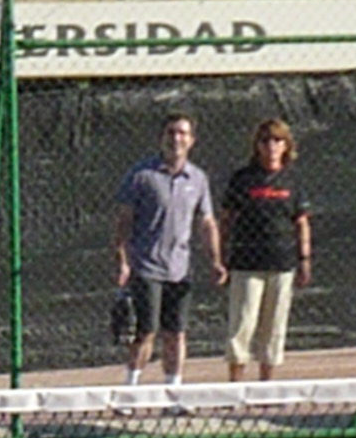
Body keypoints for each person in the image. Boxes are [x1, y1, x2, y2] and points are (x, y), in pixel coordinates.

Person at [112, 112, 227, 387]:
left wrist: (216, 260)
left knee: (176, 333)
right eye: (171, 132)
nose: (176, 138)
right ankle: (129, 391)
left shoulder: (197, 179)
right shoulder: (141, 175)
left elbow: (206, 222)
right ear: (162, 138)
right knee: (146, 332)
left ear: (192, 140)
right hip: (146, 267)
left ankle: (173, 394)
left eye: (182, 133)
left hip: (179, 270)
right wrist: (121, 259)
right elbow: (123, 219)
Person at [220, 118, 312, 382]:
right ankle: (235, 386)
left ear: (286, 145)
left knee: (274, 327)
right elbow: (226, 219)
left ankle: (266, 386)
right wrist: (221, 256)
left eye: (277, 140)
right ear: (257, 146)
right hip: (246, 264)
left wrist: (304, 260)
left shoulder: (293, 180)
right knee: (242, 324)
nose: (271, 146)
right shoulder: (242, 179)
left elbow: (301, 223)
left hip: (282, 264)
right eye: (265, 140)